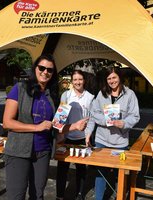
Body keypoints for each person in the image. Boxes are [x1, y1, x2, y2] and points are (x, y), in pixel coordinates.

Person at [3, 55, 86, 200]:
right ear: (35, 68)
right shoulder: (20, 88)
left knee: (38, 195)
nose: (45, 72)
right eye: (42, 68)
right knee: (16, 196)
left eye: (50, 70)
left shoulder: (51, 96)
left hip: (42, 152)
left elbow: (55, 126)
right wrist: (37, 127)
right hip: (18, 151)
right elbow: (7, 123)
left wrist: (74, 126)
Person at [85, 66, 140, 200]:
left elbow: (135, 116)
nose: (111, 81)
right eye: (109, 78)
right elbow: (94, 114)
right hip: (101, 140)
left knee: (119, 174)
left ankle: (119, 196)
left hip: (120, 142)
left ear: (120, 77)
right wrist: (104, 122)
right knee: (100, 173)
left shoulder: (130, 94)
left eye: (114, 77)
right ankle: (99, 198)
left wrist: (124, 123)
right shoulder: (101, 93)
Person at [56, 70, 94, 200]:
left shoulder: (90, 97)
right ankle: (59, 196)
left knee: (81, 170)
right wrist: (60, 135)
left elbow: (91, 119)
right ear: (72, 81)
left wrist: (88, 136)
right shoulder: (66, 95)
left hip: (82, 138)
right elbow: (61, 118)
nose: (77, 82)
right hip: (66, 137)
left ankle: (79, 195)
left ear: (84, 81)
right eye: (75, 79)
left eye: (80, 79)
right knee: (62, 169)